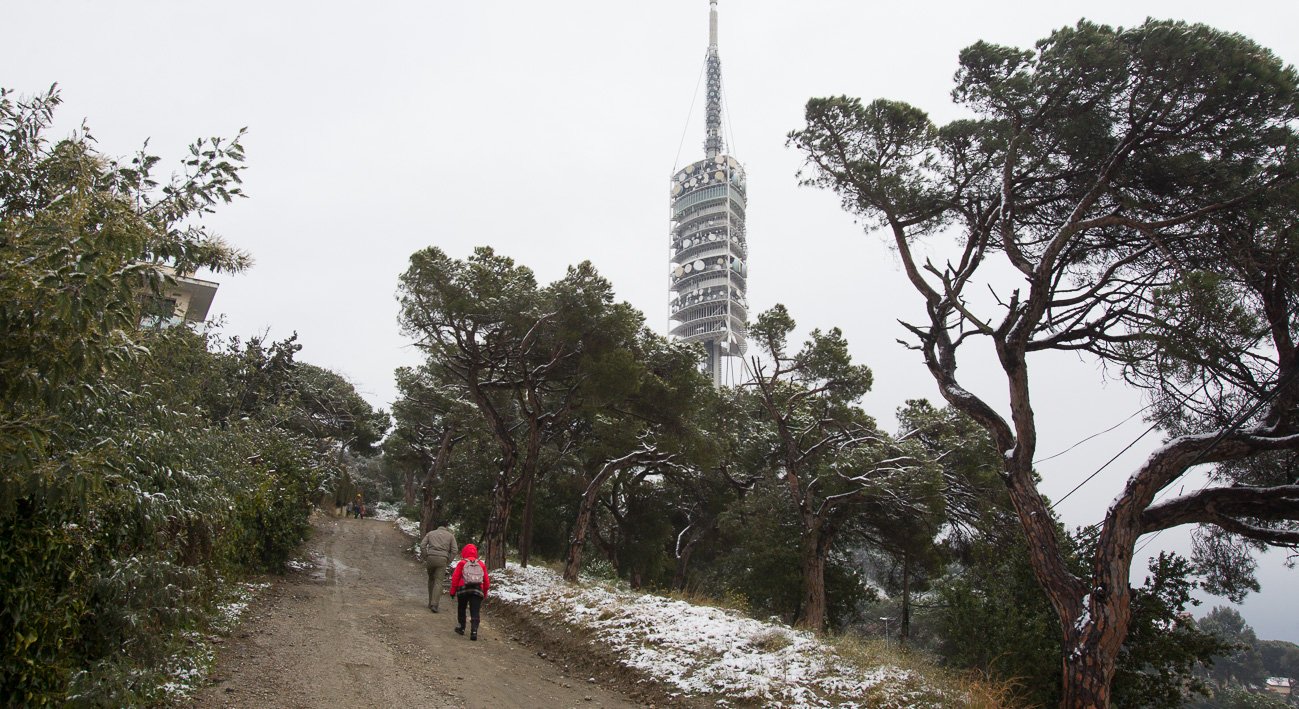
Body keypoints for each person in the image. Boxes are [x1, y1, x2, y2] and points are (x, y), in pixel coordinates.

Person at [448, 544, 490, 641]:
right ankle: (474, 631)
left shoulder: (462, 563)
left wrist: (453, 591)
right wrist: (485, 592)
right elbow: (486, 581)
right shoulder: (481, 564)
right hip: (477, 590)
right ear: (476, 552)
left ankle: (461, 628)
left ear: (464, 552)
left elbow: (455, 578)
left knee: (462, 608)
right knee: (475, 610)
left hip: (463, 589)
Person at [419, 522, 457, 613]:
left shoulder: (431, 533)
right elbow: (455, 550)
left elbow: (422, 545)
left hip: (431, 558)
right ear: (446, 526)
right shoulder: (450, 536)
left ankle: (430, 602)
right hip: (442, 560)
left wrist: (426, 556)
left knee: (431, 579)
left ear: (438, 526)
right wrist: (448, 561)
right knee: (438, 581)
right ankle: (434, 604)